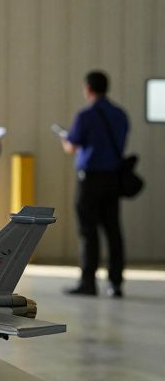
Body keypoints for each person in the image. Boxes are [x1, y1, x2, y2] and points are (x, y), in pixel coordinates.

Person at [62, 70, 129, 298]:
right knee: (113, 230)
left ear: (88, 89)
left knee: (88, 232)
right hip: (113, 179)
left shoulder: (85, 115)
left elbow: (72, 146)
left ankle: (88, 283)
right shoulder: (120, 115)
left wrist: (66, 142)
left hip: (89, 180)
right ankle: (116, 283)